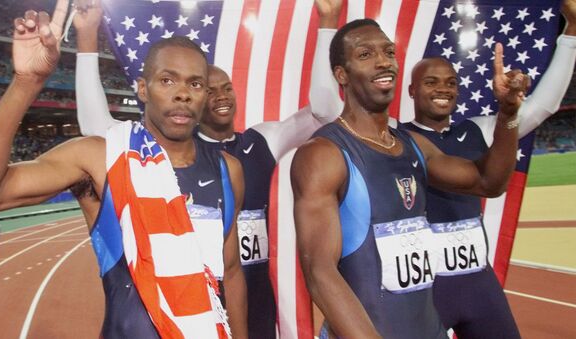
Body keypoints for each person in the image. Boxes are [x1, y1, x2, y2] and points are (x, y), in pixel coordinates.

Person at [0, 2, 246, 338]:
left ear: (205, 95)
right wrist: (26, 83)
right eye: (167, 80)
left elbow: (231, 273)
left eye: (194, 85)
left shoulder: (227, 169)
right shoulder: (101, 158)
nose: (182, 94)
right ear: (143, 90)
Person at [72, 0, 341, 337]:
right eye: (207, 89)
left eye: (225, 87)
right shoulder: (166, 154)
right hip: (188, 299)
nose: (219, 96)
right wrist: (86, 41)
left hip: (252, 295)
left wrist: (327, 21)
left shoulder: (261, 143)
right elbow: (94, 125)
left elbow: (326, 111)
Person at [291, 18, 528, 338]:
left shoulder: (412, 146)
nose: (383, 61)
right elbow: (319, 272)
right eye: (365, 55)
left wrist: (508, 114)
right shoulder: (324, 154)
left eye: (388, 51)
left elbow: (489, 182)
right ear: (341, 75)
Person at [398, 2, 576, 337]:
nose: (443, 89)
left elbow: (544, 105)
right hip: (424, 286)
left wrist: (572, 34)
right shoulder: (395, 137)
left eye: (451, 83)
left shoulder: (477, 129)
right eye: (431, 82)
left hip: (478, 281)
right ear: (411, 90)